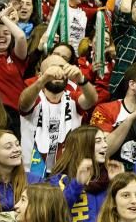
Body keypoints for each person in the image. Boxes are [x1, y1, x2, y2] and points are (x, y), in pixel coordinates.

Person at [18, 53, 97, 181]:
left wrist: (81, 79)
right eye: (52, 68)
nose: (58, 72)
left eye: (62, 67)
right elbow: (24, 104)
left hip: (66, 171)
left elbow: (91, 100)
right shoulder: (35, 96)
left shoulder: (73, 98)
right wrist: (43, 80)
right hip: (31, 172)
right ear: (40, 74)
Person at [49, 126, 113, 222]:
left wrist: (118, 184)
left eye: (105, 140)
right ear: (83, 146)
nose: (105, 145)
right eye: (98, 141)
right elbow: (55, 211)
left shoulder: (110, 176)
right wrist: (77, 184)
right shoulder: (59, 179)